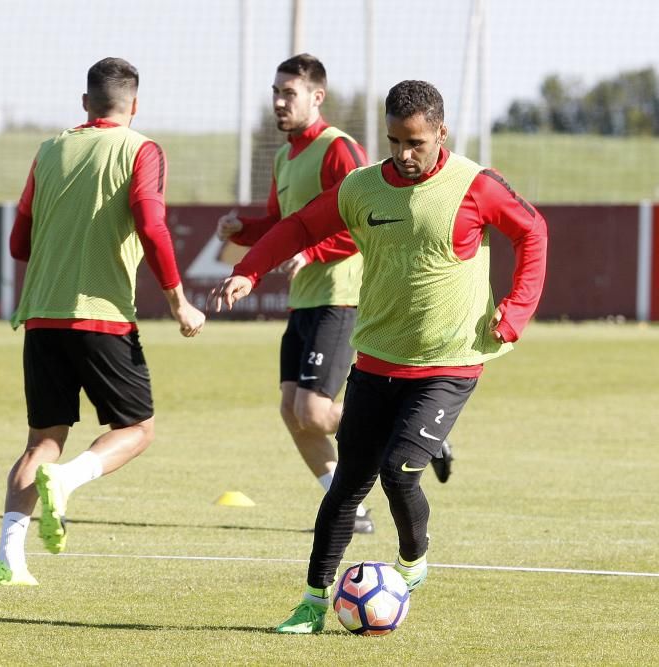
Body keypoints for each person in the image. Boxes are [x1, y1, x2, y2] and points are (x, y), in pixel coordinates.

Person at [210, 80, 548, 633]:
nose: (404, 154)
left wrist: (514, 312)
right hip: (376, 359)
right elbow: (299, 225)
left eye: (415, 142)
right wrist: (248, 270)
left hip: (450, 362)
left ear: (441, 132)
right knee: (347, 486)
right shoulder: (362, 187)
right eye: (394, 141)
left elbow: (533, 232)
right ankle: (313, 603)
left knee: (399, 471)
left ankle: (413, 561)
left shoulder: (475, 185)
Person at [0, 57, 206, 587]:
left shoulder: (49, 150)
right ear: (134, 105)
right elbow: (153, 226)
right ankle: (64, 482)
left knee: (42, 441)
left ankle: (8, 559)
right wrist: (178, 301)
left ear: (85, 102)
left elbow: (20, 243)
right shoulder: (141, 148)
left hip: (42, 316)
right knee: (136, 430)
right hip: (102, 316)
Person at [218, 55, 373, 535]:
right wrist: (243, 230)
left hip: (340, 295)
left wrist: (314, 251)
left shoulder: (339, 149)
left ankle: (402, 429)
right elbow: (283, 226)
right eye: (276, 92)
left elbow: (364, 220)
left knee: (314, 411)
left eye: (290, 93)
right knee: (292, 411)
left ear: (316, 97)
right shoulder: (285, 156)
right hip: (303, 300)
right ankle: (348, 505)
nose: (280, 101)